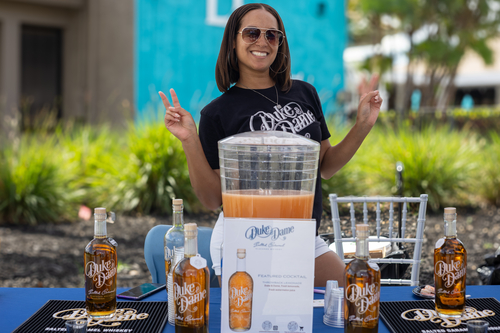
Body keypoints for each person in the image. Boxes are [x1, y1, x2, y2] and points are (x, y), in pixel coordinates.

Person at [160, 3, 382, 287]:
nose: (262, 42)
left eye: (272, 35)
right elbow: (211, 199)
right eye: (251, 33)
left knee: (354, 293)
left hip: (301, 234)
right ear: (233, 41)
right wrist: (189, 138)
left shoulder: (305, 93)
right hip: (245, 238)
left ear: (280, 43)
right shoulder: (217, 113)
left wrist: (363, 125)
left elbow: (325, 166)